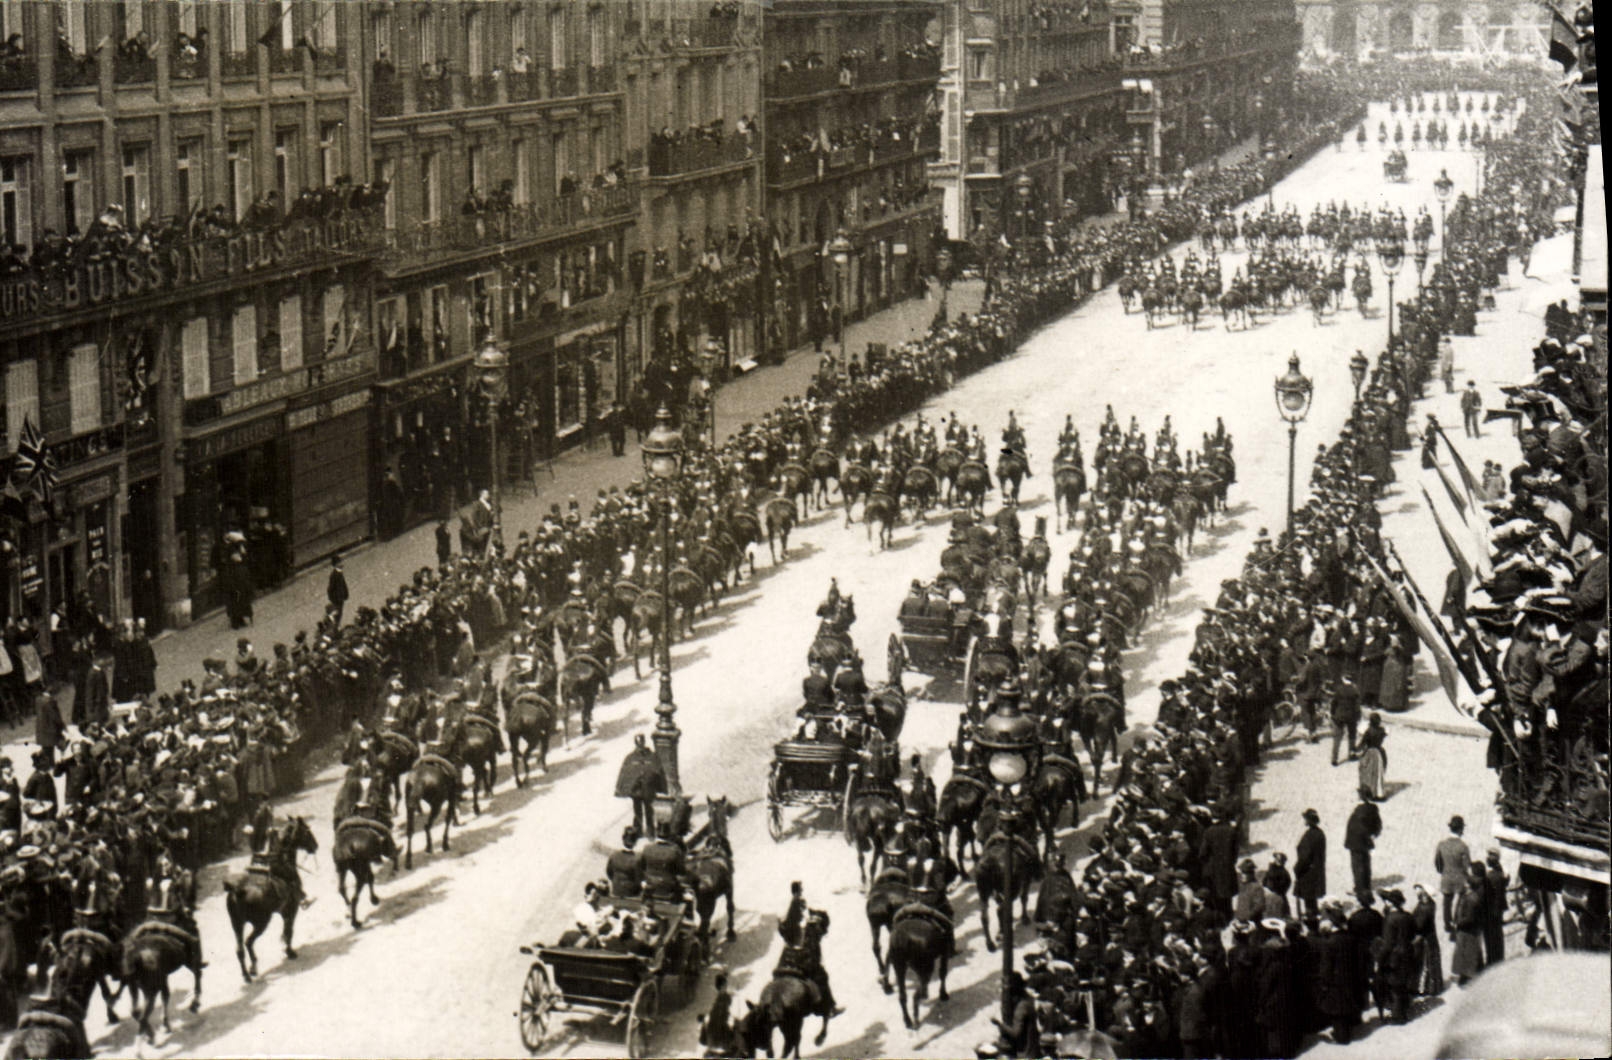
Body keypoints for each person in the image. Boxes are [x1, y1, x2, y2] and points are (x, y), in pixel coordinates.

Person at [614, 734, 665, 839]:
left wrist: (659, 786)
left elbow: (658, 770)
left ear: (644, 742)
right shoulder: (630, 758)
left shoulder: (652, 756)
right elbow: (624, 772)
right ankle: (638, 829)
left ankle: (650, 829)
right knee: (637, 811)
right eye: (638, 743)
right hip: (636, 790)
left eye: (641, 742)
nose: (640, 745)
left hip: (648, 789)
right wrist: (620, 788)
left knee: (649, 810)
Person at [1450, 864, 1486, 985]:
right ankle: (1477, 973)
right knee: (1471, 953)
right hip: (1469, 930)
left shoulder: (1471, 899)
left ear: (1468, 885)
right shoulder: (1468, 896)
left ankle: (1466, 978)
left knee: (1466, 954)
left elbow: (1469, 918)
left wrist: (1457, 924)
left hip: (1468, 931)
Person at [1434, 815, 1470, 934]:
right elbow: (1466, 865)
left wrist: (1443, 871)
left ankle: (1447, 924)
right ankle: (1457, 921)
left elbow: (1437, 862)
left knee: (1447, 902)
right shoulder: (1463, 847)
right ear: (1461, 830)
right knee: (1460, 901)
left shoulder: (1442, 844)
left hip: (1446, 877)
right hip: (1459, 878)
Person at [991, 970, 1038, 1058]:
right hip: (1032, 1050)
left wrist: (999, 1024)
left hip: (1024, 1054)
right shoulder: (1028, 999)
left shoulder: (1021, 1008)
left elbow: (1016, 1033)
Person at [1344, 789, 1382, 898]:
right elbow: (1378, 824)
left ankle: (1360, 890)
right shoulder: (1372, 808)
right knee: (1366, 864)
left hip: (1356, 843)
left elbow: (1358, 828)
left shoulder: (1359, 811)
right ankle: (1366, 886)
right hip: (1367, 843)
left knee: (1357, 866)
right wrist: (1373, 835)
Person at [1294, 808, 1327, 922]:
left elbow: (1304, 857)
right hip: (1317, 871)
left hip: (1307, 873)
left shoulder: (1309, 836)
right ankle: (1314, 914)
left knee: (1308, 899)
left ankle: (1310, 919)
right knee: (1312, 898)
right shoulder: (1320, 833)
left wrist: (1297, 869)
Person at [1482, 849, 1508, 967]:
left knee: (1490, 938)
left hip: (1491, 911)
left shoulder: (1490, 876)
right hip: (1499, 909)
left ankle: (1492, 961)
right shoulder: (1501, 872)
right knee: (1498, 936)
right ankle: (1499, 959)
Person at [1329, 675, 1361, 766]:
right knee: (1352, 735)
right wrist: (1358, 716)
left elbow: (1334, 702)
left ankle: (1334, 759)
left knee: (1337, 737)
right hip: (1351, 716)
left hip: (1339, 716)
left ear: (1344, 679)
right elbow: (1357, 706)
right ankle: (1351, 754)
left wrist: (1332, 713)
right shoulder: (1355, 690)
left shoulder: (1339, 689)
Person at [1357, 712, 1387, 800]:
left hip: (1369, 752)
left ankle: (1367, 792)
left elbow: (1362, 743)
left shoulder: (1368, 732)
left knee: (1365, 772)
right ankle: (1378, 793)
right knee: (1378, 773)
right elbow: (1385, 734)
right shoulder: (1382, 730)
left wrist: (1355, 749)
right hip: (1379, 752)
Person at [607, 827, 643, 898]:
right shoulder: (637, 859)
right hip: (631, 893)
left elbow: (609, 872)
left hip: (616, 890)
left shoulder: (614, 855)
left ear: (623, 839)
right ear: (635, 842)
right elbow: (638, 879)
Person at [327, 555, 350, 628]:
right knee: (338, 615)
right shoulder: (334, 575)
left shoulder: (340, 572)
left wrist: (346, 594)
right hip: (337, 599)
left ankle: (337, 626)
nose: (341, 563)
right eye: (339, 562)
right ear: (335, 564)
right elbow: (330, 589)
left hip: (341, 598)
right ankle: (336, 628)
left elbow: (343, 584)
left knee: (340, 613)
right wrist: (333, 599)